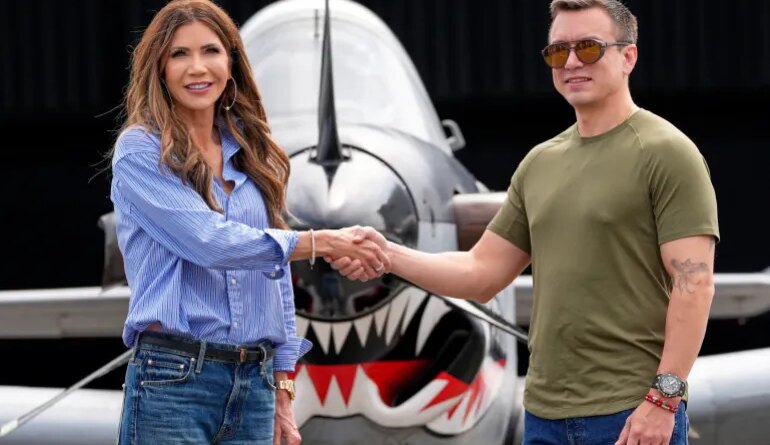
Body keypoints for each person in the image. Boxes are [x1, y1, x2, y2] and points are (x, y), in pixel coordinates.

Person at [328, 1, 719, 444]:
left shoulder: (668, 152)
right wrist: (387, 252)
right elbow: (480, 274)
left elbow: (695, 285)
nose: (571, 62)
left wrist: (663, 401)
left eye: (589, 48)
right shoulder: (538, 164)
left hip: (630, 412)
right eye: (558, 51)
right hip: (543, 415)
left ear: (628, 56)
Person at [110, 1, 388, 444]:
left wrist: (281, 386)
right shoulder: (141, 152)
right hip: (173, 380)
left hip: (253, 384)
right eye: (179, 54)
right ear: (158, 68)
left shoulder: (250, 149)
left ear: (231, 62)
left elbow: (272, 274)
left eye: (211, 51)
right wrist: (323, 243)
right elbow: (210, 242)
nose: (197, 67)